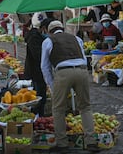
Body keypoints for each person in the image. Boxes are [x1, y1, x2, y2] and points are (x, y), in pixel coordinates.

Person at [41, 20, 100, 153]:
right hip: (82, 70)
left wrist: (51, 84)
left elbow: (44, 67)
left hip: (63, 72)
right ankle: (91, 142)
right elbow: (84, 58)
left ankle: (62, 144)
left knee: (58, 109)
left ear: (49, 31)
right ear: (62, 28)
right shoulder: (76, 38)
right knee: (85, 107)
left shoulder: (48, 41)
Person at [24, 13, 48, 117]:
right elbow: (37, 55)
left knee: (39, 94)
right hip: (36, 71)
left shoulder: (35, 35)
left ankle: (38, 115)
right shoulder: (34, 37)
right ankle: (37, 116)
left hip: (37, 70)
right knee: (39, 96)